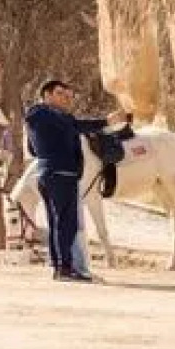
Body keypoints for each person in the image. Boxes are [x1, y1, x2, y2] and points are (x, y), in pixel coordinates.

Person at [23, 79, 125, 283]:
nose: (66, 99)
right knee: (66, 223)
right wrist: (106, 122)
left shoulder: (49, 118)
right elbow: (75, 125)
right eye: (60, 94)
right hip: (60, 175)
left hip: (53, 175)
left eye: (69, 96)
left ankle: (60, 267)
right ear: (46, 95)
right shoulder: (43, 114)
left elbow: (33, 149)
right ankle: (65, 268)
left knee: (57, 222)